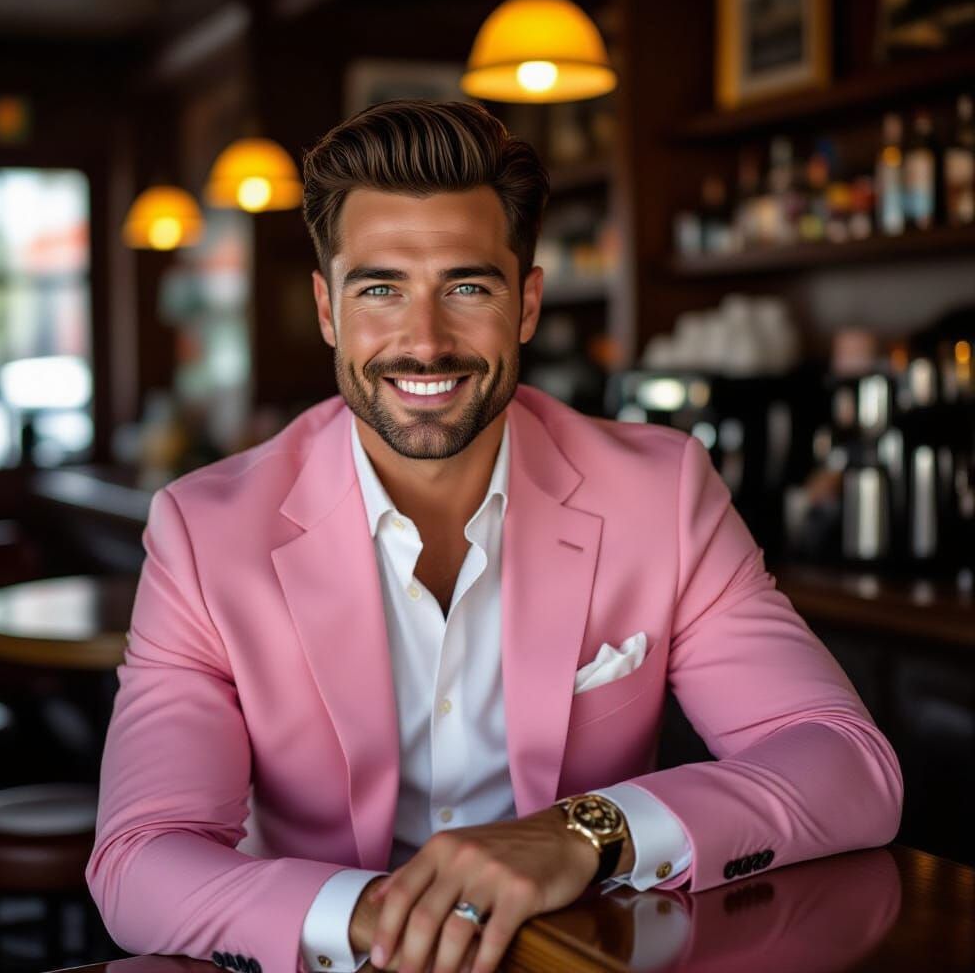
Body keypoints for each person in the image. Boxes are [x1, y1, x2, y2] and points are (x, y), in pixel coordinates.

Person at [86, 100, 903, 973]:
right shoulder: (207, 532)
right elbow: (141, 859)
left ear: (527, 304)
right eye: (380, 289)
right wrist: (379, 917)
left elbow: (849, 765)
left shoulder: (660, 492)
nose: (425, 341)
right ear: (328, 309)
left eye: (467, 287)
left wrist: (584, 831)